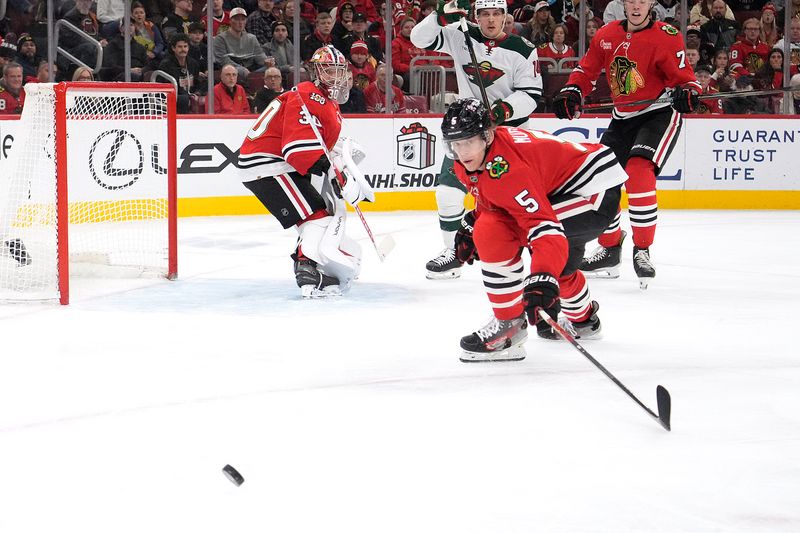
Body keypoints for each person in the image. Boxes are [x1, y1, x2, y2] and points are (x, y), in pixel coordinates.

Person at [441, 98, 627, 362]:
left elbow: (544, 228)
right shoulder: (475, 160)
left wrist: (541, 276)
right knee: (561, 273)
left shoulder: (507, 168)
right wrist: (473, 218)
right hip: (565, 186)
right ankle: (586, 322)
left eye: (469, 141)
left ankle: (509, 326)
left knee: (495, 230)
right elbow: (494, 195)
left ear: (487, 135)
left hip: (592, 193)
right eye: (456, 143)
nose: (462, 151)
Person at [553, 0, 702, 289]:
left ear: (650, 4)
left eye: (642, 0)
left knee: (638, 171)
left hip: (659, 113)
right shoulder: (606, 34)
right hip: (623, 117)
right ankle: (610, 249)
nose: (636, 6)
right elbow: (586, 71)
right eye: (630, 0)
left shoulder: (667, 35)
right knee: (602, 180)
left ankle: (642, 249)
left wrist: (688, 92)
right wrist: (572, 90)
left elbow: (686, 79)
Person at [411, 0, 543, 280]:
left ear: (505, 17)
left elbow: (531, 95)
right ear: (476, 16)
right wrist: (438, 18)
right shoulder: (460, 34)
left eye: (496, 14)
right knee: (447, 193)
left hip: (509, 134)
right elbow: (418, 38)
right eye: (485, 15)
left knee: (518, 200)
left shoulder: (523, 49)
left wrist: (501, 111)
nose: (491, 20)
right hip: (469, 132)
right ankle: (453, 253)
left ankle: (537, 248)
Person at [237, 45, 373, 298]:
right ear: (316, 72)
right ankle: (307, 268)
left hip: (273, 165)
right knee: (318, 217)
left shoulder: (319, 98)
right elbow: (296, 148)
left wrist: (338, 166)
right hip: (268, 165)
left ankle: (315, 261)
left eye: (339, 70)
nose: (336, 76)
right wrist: (331, 171)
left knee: (314, 215)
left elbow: (318, 144)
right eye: (329, 70)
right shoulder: (309, 96)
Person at [214, 7, 268, 79]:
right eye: (237, 19)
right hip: (231, 72)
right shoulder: (221, 38)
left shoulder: (252, 38)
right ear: (230, 21)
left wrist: (267, 62)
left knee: (271, 70)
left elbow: (259, 55)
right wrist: (240, 69)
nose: (240, 22)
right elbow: (223, 60)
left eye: (243, 19)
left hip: (252, 70)